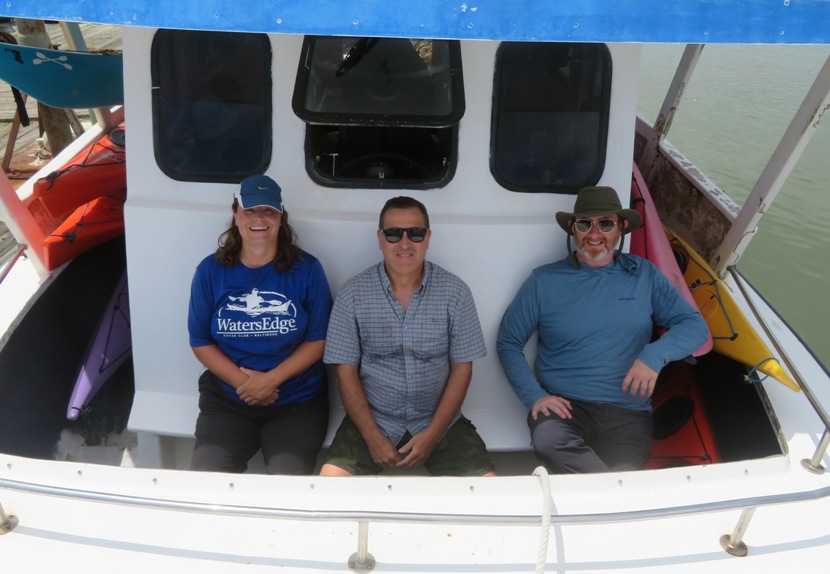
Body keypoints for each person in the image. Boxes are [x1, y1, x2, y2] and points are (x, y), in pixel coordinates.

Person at [496, 186, 709, 474]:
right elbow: (508, 342)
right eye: (585, 224)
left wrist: (654, 356)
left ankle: (604, 492)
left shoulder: (644, 275)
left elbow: (695, 326)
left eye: (605, 224)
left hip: (629, 413)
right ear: (573, 229)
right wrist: (535, 396)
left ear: (621, 228)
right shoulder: (543, 281)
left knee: (623, 467)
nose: (594, 234)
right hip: (565, 409)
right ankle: (614, 496)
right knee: (550, 442)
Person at [320, 196, 495, 476]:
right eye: (393, 233)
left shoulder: (456, 292)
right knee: (329, 488)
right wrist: (373, 438)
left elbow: (462, 370)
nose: (404, 243)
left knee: (491, 493)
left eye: (415, 233)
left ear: (428, 237)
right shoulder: (352, 293)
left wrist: (433, 435)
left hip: (439, 423)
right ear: (379, 238)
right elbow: (346, 373)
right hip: (372, 422)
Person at [188, 174, 333, 474]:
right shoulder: (210, 271)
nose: (259, 219)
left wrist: (270, 381)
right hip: (228, 398)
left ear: (281, 217)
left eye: (268, 211)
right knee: (206, 480)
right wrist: (246, 385)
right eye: (250, 210)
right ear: (235, 214)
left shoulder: (307, 270)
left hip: (296, 400)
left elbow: (319, 339)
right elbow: (200, 341)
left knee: (287, 481)